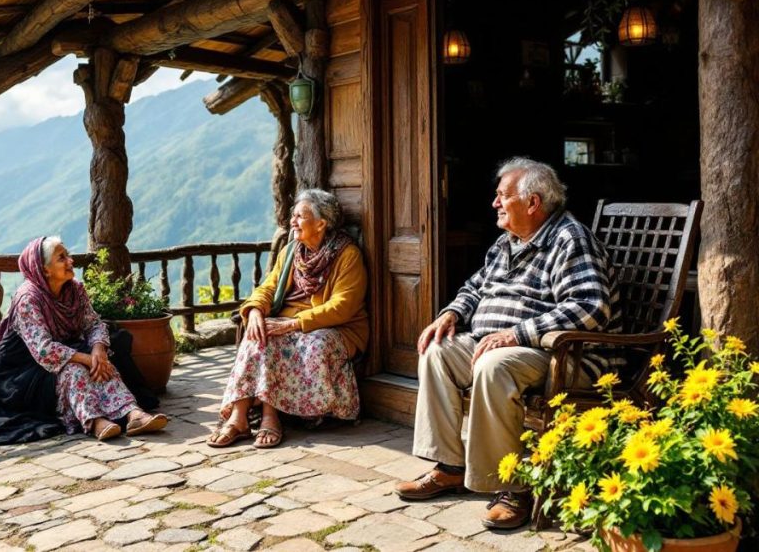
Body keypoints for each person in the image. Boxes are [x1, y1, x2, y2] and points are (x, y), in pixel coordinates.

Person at [394, 157, 621, 530]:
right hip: (502, 344)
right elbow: (475, 287)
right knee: (436, 350)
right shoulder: (507, 242)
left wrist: (517, 334)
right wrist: (450, 313)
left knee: (493, 364)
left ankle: (512, 487)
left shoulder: (569, 239)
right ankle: (450, 466)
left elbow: (590, 307)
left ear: (532, 203)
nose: (494, 203)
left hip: (566, 355)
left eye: (502, 195)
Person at [207, 189, 369, 449]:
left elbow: (343, 306)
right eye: (293, 215)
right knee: (258, 336)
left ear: (321, 223)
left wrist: (293, 323)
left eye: (299, 216)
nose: (292, 221)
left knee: (309, 343)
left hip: (337, 327)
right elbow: (268, 287)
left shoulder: (347, 255)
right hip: (288, 323)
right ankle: (239, 418)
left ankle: (272, 416)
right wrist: (256, 311)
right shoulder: (292, 251)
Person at [0, 236, 167, 444]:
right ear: (44, 269)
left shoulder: (74, 289)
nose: (70, 261)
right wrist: (86, 358)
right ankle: (94, 421)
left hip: (62, 353)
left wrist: (98, 350)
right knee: (75, 370)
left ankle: (133, 414)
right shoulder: (28, 299)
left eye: (68, 255)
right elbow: (44, 351)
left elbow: (93, 324)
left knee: (103, 364)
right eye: (61, 258)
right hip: (22, 370)